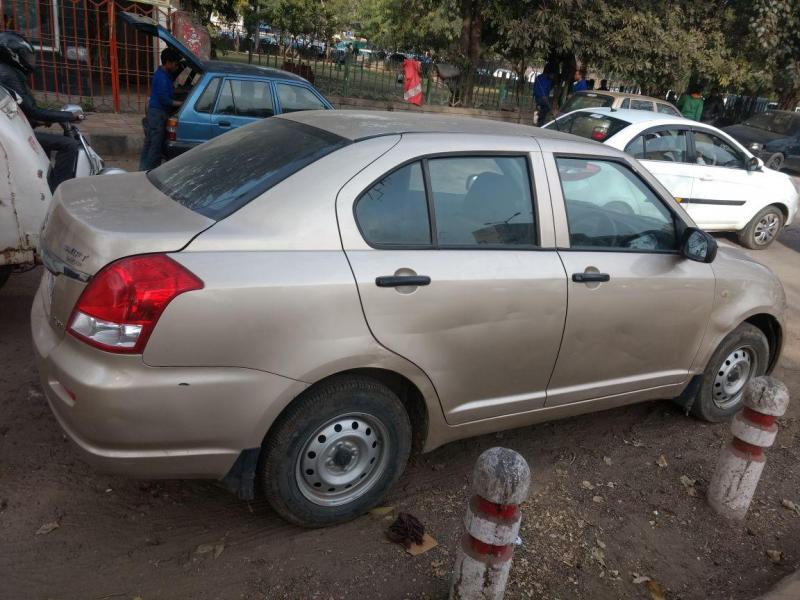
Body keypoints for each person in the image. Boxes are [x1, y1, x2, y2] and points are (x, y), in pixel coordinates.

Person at [0, 31, 83, 191]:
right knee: (69, 145)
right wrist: (68, 116)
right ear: (13, 55)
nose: (30, 61)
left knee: (46, 146)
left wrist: (39, 121)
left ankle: (42, 184)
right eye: (26, 56)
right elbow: (32, 111)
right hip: (15, 134)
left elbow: (19, 108)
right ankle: (58, 192)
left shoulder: (8, 71)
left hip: (16, 129)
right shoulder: (8, 74)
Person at [139, 47, 183, 171]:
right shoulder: (162, 78)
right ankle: (149, 172)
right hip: (157, 115)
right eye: (175, 63)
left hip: (155, 113)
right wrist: (181, 103)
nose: (176, 66)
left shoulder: (163, 74)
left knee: (149, 145)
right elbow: (166, 101)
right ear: (168, 62)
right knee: (155, 147)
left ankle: (142, 170)